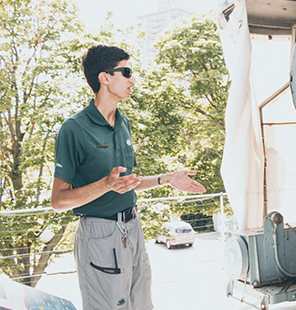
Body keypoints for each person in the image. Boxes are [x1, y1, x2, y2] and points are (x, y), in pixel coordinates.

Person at [51, 45, 206, 310]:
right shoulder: (74, 128)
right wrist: (105, 184)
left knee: (143, 305)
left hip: (132, 228)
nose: (133, 79)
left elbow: (127, 182)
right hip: (99, 234)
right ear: (104, 77)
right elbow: (58, 201)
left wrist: (166, 178)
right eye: (126, 72)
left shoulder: (123, 123)